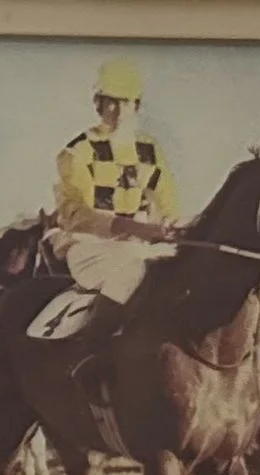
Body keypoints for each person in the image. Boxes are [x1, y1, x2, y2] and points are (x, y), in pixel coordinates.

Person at [50, 57, 182, 308]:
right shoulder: (77, 151)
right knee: (132, 273)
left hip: (139, 249)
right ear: (98, 104)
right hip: (90, 249)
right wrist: (132, 228)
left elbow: (168, 204)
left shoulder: (151, 150)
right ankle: (91, 344)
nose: (120, 110)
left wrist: (170, 223)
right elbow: (75, 215)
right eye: (112, 102)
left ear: (136, 105)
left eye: (127, 102)